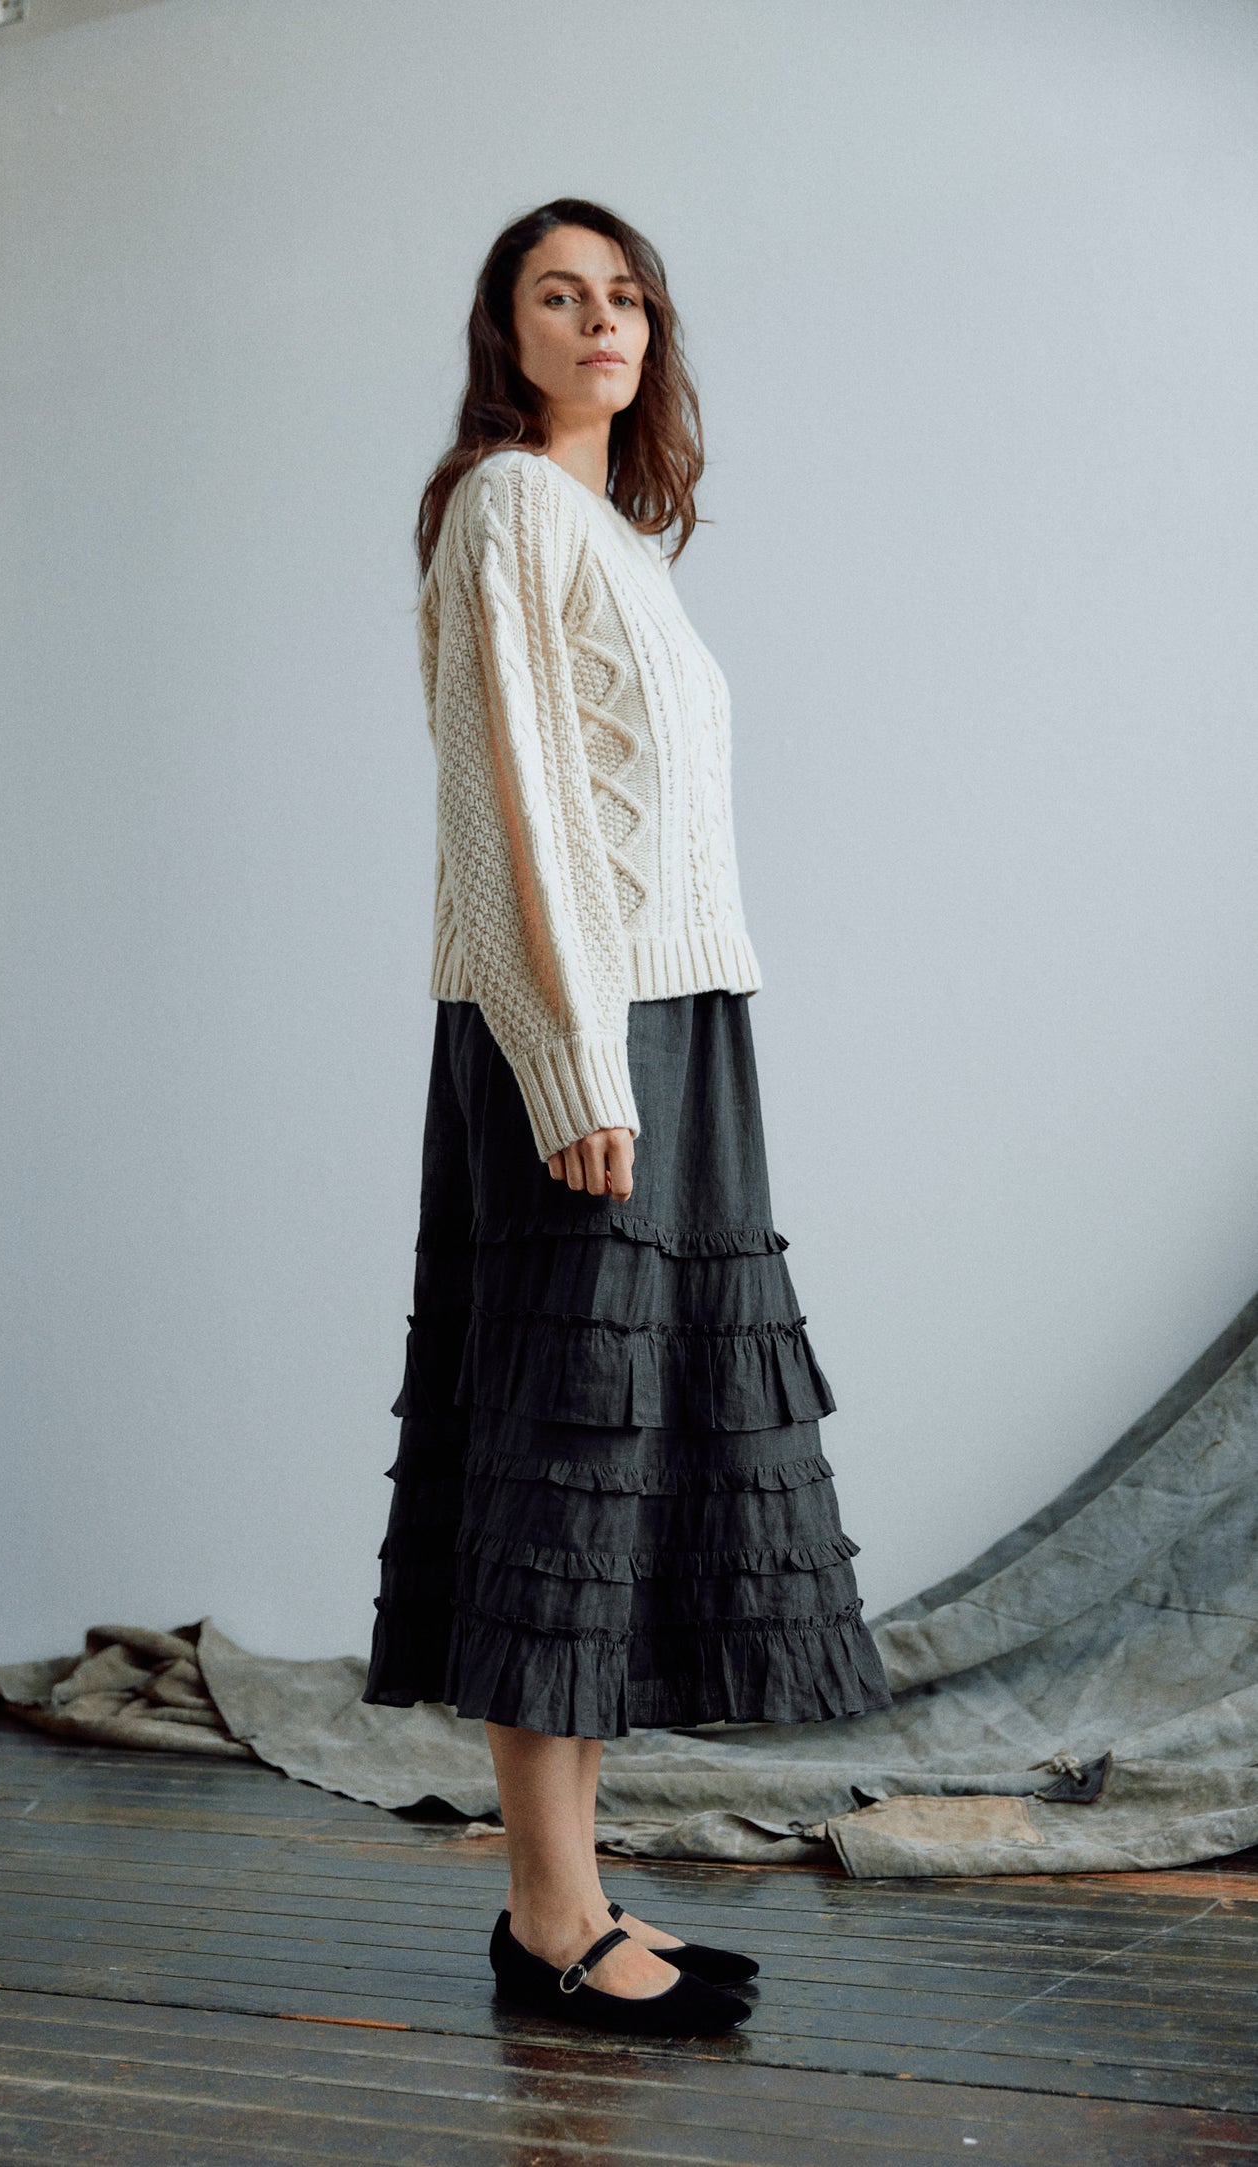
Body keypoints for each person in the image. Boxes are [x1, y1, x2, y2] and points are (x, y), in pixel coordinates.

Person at [362, 196, 893, 2036]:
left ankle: (570, 1897)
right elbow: (512, 810)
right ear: (502, 333)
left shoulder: (609, 535)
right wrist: (575, 1061)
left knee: (612, 1459)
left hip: (674, 1023)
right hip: (590, 1038)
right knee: (561, 1457)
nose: (601, 322)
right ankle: (546, 1917)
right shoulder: (508, 506)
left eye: (625, 298)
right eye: (557, 295)